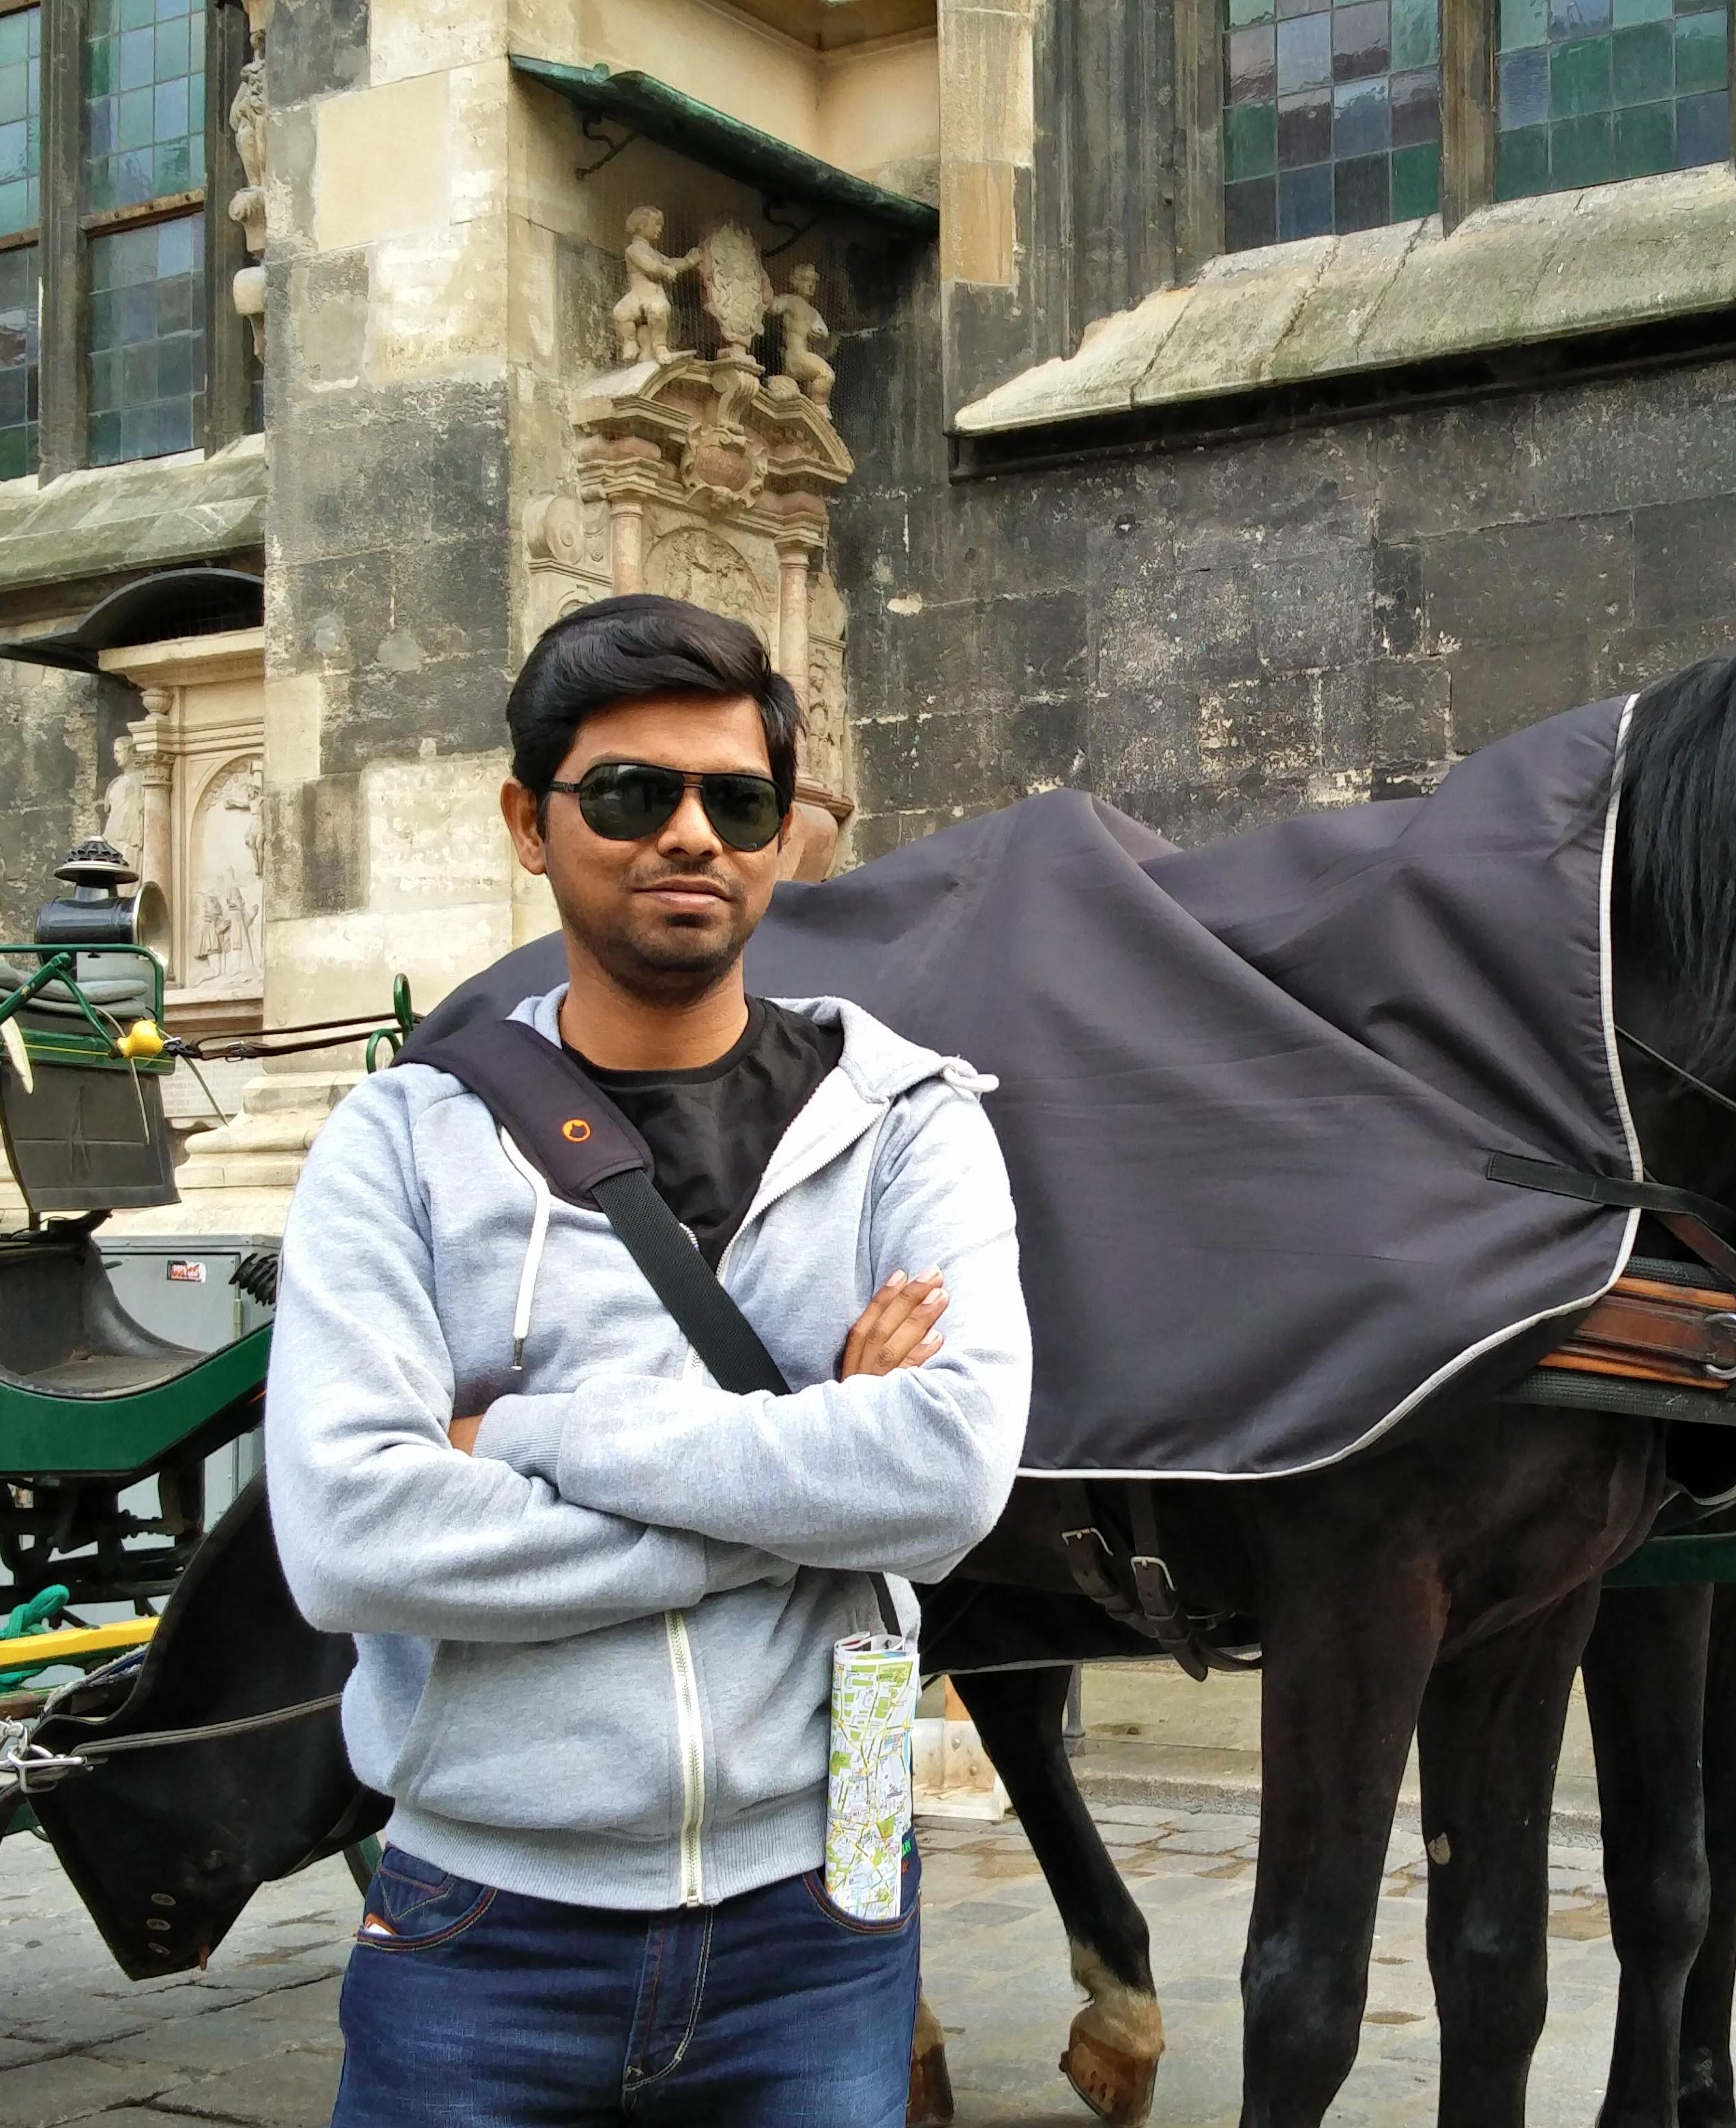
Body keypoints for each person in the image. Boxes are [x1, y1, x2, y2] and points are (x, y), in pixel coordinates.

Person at [265, 593, 1030, 2127]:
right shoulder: (400, 1141)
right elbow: (353, 1537)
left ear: (779, 839)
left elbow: (947, 1481)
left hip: (825, 1910)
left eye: (737, 802)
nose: (691, 834)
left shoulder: (909, 1121)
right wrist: (819, 1475)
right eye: (630, 793)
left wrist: (526, 1434)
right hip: (484, 1923)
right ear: (528, 823)